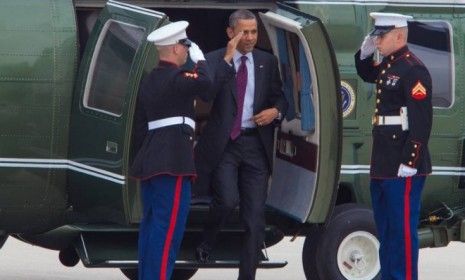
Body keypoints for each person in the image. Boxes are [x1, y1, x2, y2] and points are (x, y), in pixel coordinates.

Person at [194, 9, 288, 280]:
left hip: (255, 146)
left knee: (254, 219)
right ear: (231, 33)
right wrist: (226, 59)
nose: (250, 37)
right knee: (226, 200)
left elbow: (280, 99)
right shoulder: (213, 60)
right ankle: (207, 241)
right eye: (244, 32)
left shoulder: (267, 62)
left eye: (254, 32)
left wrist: (275, 112)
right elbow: (207, 94)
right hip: (225, 145)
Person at [130, 21, 212, 280]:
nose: (187, 51)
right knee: (167, 231)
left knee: (152, 227)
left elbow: (141, 128)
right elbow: (207, 85)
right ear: (176, 48)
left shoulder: (150, 80)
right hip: (172, 163)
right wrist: (201, 61)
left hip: (151, 162)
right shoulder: (177, 78)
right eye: (185, 46)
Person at [355, 12, 433, 280]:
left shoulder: (413, 69)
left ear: (399, 35)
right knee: (386, 231)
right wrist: (363, 54)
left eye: (381, 36)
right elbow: (367, 74)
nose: (377, 41)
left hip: (402, 163)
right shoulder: (389, 66)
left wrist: (410, 161)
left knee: (402, 233)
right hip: (384, 162)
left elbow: (422, 122)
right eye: (375, 36)